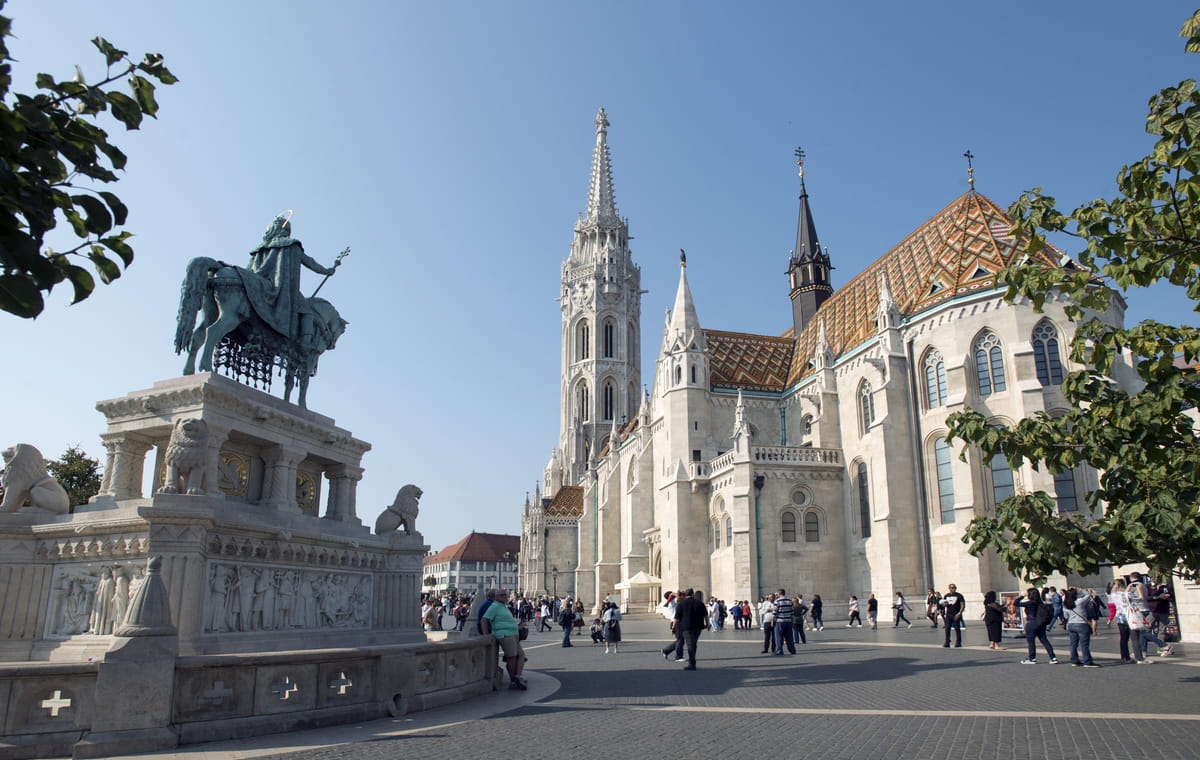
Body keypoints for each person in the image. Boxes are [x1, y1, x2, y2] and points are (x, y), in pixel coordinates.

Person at [239, 213, 341, 349]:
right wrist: (328, 271)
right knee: (307, 311)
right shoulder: (292, 245)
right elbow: (310, 263)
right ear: (286, 229)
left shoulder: (260, 248)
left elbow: (248, 269)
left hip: (259, 282)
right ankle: (305, 343)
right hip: (282, 288)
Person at [481, 589, 527, 690]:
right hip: (505, 635)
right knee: (512, 658)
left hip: (513, 634)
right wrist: (486, 634)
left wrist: (519, 626)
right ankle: (513, 680)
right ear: (496, 597)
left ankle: (518, 676)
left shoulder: (503, 606)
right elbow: (484, 620)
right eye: (502, 595)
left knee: (521, 655)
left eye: (505, 595)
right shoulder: (494, 606)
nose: (505, 597)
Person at [1016, 588, 1057, 664]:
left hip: (1031, 623)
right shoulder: (1040, 602)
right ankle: (1053, 657)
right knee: (1044, 640)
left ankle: (1032, 658)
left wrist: (1022, 596)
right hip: (1041, 623)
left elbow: (1016, 603)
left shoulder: (1030, 603)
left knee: (1031, 642)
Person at [674, 588, 709, 670]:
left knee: (690, 645)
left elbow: (676, 618)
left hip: (686, 627)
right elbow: (706, 615)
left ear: (685, 595)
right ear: (693, 594)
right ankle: (692, 662)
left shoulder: (681, 604)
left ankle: (692, 664)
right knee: (693, 643)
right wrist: (707, 624)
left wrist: (673, 628)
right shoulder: (700, 603)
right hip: (698, 627)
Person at [1063, 587, 1099, 667]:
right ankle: (1087, 661)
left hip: (1071, 624)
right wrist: (1080, 589)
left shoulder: (1065, 605)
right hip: (1081, 624)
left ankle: (1074, 660)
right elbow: (1088, 594)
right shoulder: (1079, 602)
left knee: (1073, 644)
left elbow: (1065, 616)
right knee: (1084, 644)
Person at [661, 589, 687, 662]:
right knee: (680, 639)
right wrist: (674, 594)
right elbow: (679, 597)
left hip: (676, 622)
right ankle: (678, 657)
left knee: (680, 640)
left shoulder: (672, 602)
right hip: (676, 622)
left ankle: (666, 650)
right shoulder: (672, 602)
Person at [773, 589, 797, 655]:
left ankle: (779, 651)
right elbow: (792, 611)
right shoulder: (789, 600)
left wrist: (772, 621)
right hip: (788, 620)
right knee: (789, 637)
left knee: (779, 637)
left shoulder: (777, 601)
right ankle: (792, 650)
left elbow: (774, 612)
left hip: (779, 621)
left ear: (779, 593)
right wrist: (792, 620)